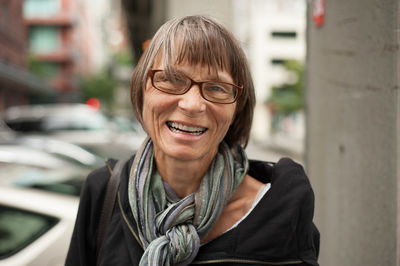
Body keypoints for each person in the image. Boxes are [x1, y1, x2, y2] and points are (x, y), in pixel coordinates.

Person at [66, 15, 319, 266]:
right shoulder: (103, 193)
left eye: (216, 87)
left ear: (236, 109)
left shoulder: (281, 213)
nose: (192, 105)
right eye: (171, 80)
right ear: (141, 90)